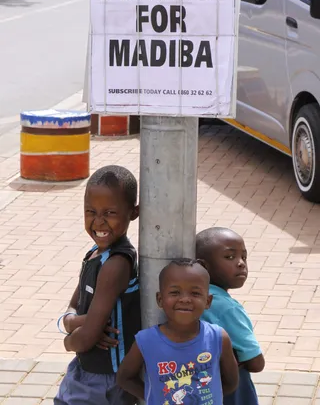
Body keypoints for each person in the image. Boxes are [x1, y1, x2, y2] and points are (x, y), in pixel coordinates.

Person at [54, 165, 141, 405]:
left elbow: (86, 338)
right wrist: (75, 322)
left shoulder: (117, 264)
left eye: (110, 213)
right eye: (90, 211)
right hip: (86, 368)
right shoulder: (95, 253)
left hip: (105, 378)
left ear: (133, 212)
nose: (99, 222)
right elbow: (73, 307)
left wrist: (68, 339)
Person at [117, 259, 239, 405]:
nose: (185, 299)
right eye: (175, 292)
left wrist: (208, 396)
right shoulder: (146, 341)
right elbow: (124, 378)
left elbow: (231, 382)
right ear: (160, 299)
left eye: (195, 293)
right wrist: (154, 396)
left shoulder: (218, 338)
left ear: (207, 301)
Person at [196, 227, 265, 405]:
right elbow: (256, 363)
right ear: (204, 266)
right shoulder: (226, 308)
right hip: (231, 390)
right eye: (230, 257)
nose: (241, 263)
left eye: (244, 256)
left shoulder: (194, 298)